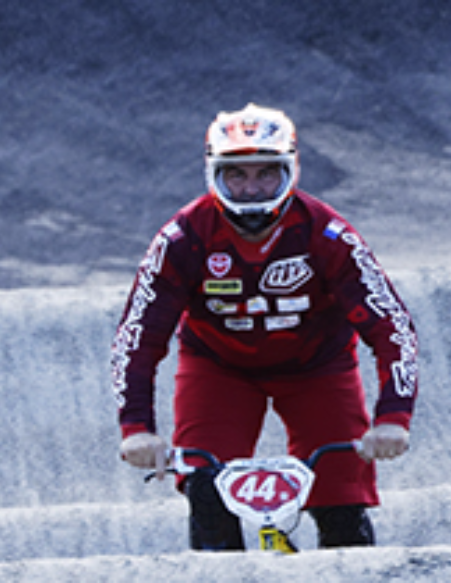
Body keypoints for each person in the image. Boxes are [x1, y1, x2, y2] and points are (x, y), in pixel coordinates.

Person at [111, 103, 418, 550]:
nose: (252, 188)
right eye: (236, 175)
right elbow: (138, 337)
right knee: (207, 488)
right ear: (213, 174)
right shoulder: (182, 238)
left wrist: (393, 417)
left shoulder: (329, 234)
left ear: (291, 171)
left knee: (340, 501)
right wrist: (136, 428)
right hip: (218, 370)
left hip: (319, 369)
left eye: (266, 174)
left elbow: (392, 327)